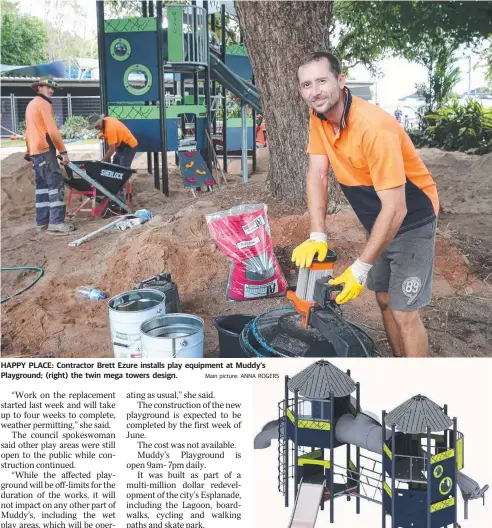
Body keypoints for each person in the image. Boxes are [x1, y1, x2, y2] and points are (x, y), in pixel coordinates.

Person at [292, 52, 439, 358]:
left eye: (322, 81)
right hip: (378, 219)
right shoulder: (318, 117)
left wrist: (360, 268)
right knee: (384, 299)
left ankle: (421, 393)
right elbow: (317, 174)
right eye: (307, 84)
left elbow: (397, 209)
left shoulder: (374, 129)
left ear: (340, 81)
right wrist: (317, 234)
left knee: (403, 312)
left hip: (412, 217)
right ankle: (400, 366)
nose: (315, 91)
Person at [25, 76, 74, 234]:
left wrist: (29, 154)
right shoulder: (44, 104)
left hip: (35, 152)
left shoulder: (31, 104)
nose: (51, 90)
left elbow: (28, 132)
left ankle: (42, 223)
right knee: (55, 185)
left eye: (52, 88)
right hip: (45, 150)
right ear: (39, 88)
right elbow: (52, 131)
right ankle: (56, 223)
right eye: (47, 87)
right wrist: (63, 152)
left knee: (42, 188)